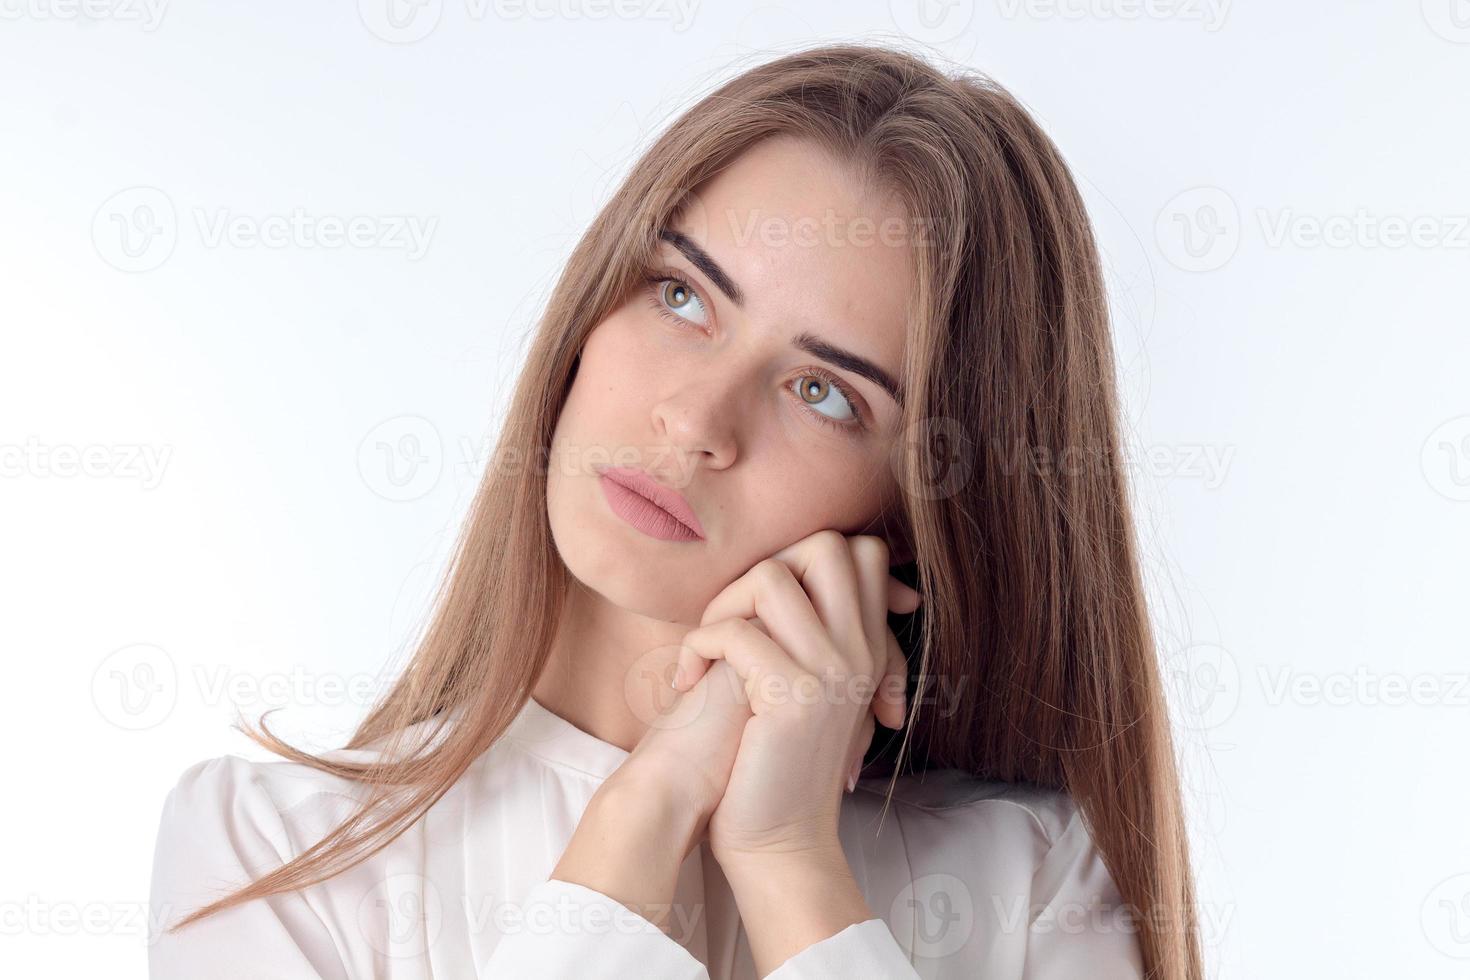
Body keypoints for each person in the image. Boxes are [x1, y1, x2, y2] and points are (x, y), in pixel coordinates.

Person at [148, 43, 1202, 979]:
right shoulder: (273, 851)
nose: (696, 417)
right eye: (682, 295)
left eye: (823, 390)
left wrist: (791, 865)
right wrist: (640, 819)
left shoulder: (1030, 881)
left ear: (923, 508)